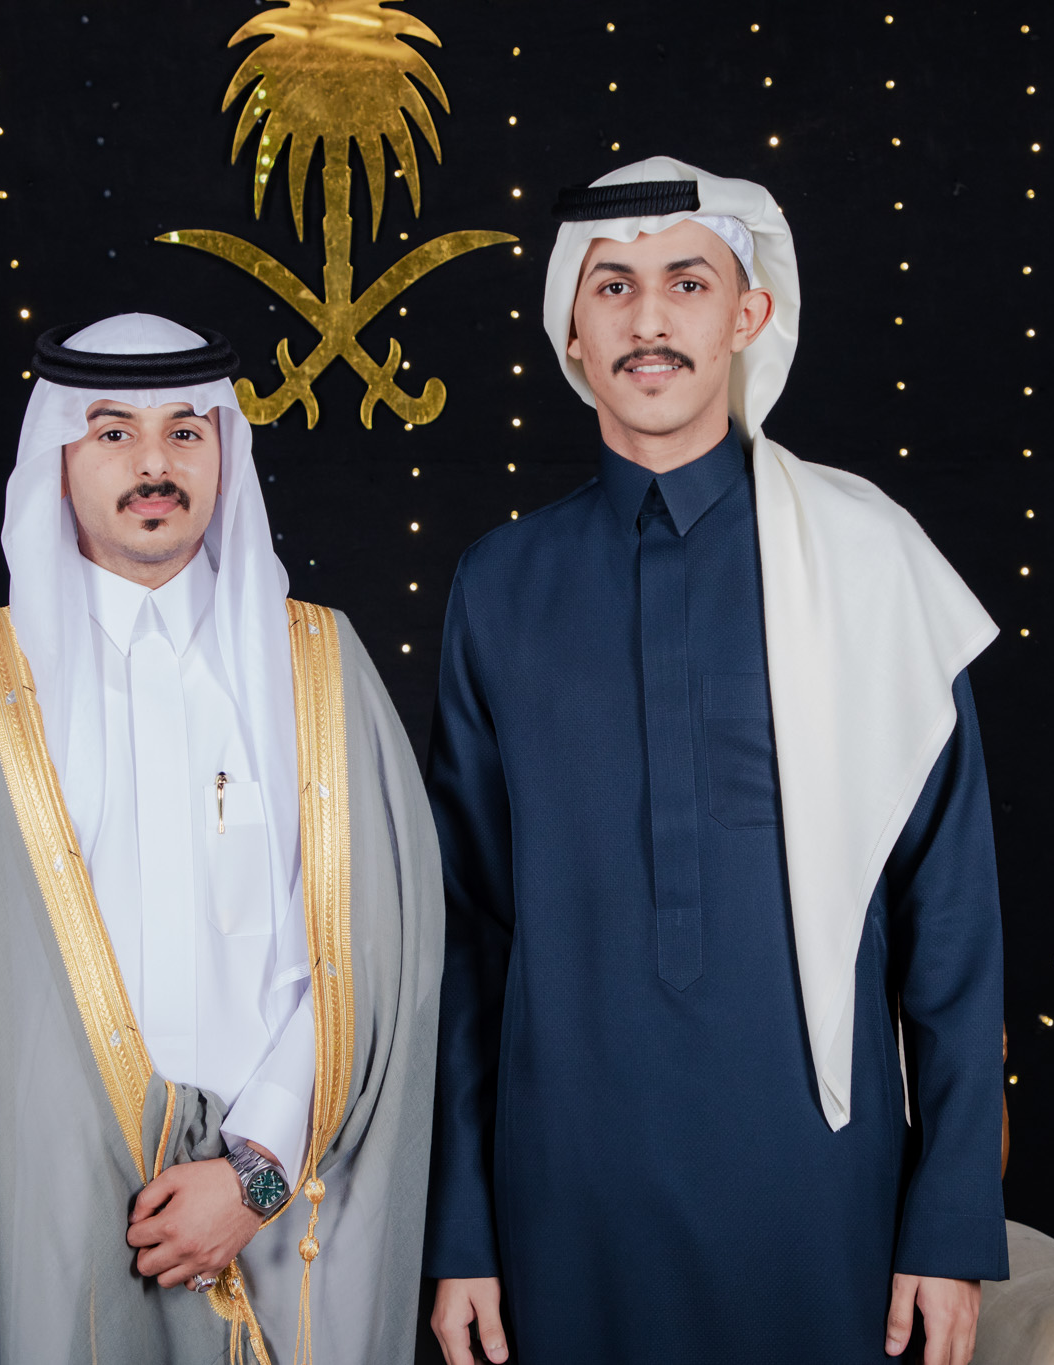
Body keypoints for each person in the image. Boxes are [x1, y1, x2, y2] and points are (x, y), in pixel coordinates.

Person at [423, 158, 1008, 1365]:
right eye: (612, 287)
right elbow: (466, 936)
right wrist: (461, 1230)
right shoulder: (499, 584)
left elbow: (949, 922)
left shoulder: (866, 561)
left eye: (686, 283)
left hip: (821, 1192)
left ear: (749, 314)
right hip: (561, 1201)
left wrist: (950, 1222)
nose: (647, 320)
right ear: (570, 333)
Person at [0, 314, 442, 1365]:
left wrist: (255, 1173)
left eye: (185, 431)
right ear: (58, 456)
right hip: (42, 1215)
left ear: (223, 453)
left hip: (278, 1218)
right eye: (112, 433)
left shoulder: (319, 664)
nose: (153, 464)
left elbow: (377, 955)